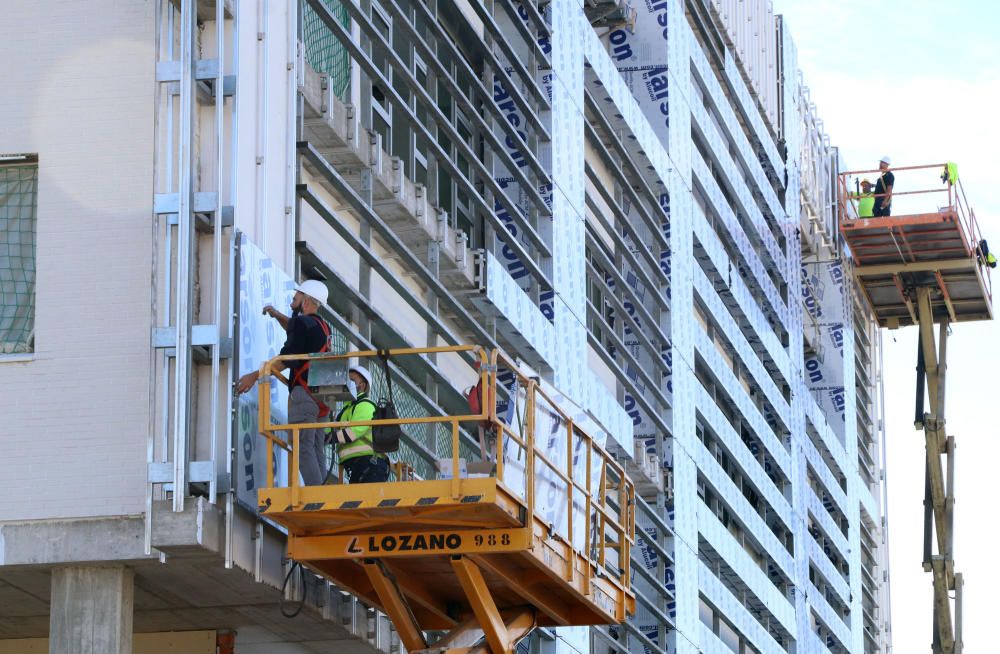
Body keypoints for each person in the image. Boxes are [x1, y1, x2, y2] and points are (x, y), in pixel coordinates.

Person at [236, 279, 331, 486]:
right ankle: (323, 491)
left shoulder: (301, 323)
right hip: (321, 398)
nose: (291, 304)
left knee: (302, 446)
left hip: (304, 395)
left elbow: (288, 358)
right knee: (316, 448)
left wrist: (253, 377)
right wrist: (278, 315)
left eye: (294, 300)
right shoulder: (322, 327)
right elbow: (298, 329)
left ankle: (317, 496)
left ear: (306, 302)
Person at [328, 365, 390, 483]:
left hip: (370, 465)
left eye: (352, 380)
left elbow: (353, 433)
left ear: (362, 385)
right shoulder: (346, 410)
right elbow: (328, 431)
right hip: (360, 466)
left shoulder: (365, 405)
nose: (347, 383)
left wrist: (330, 437)